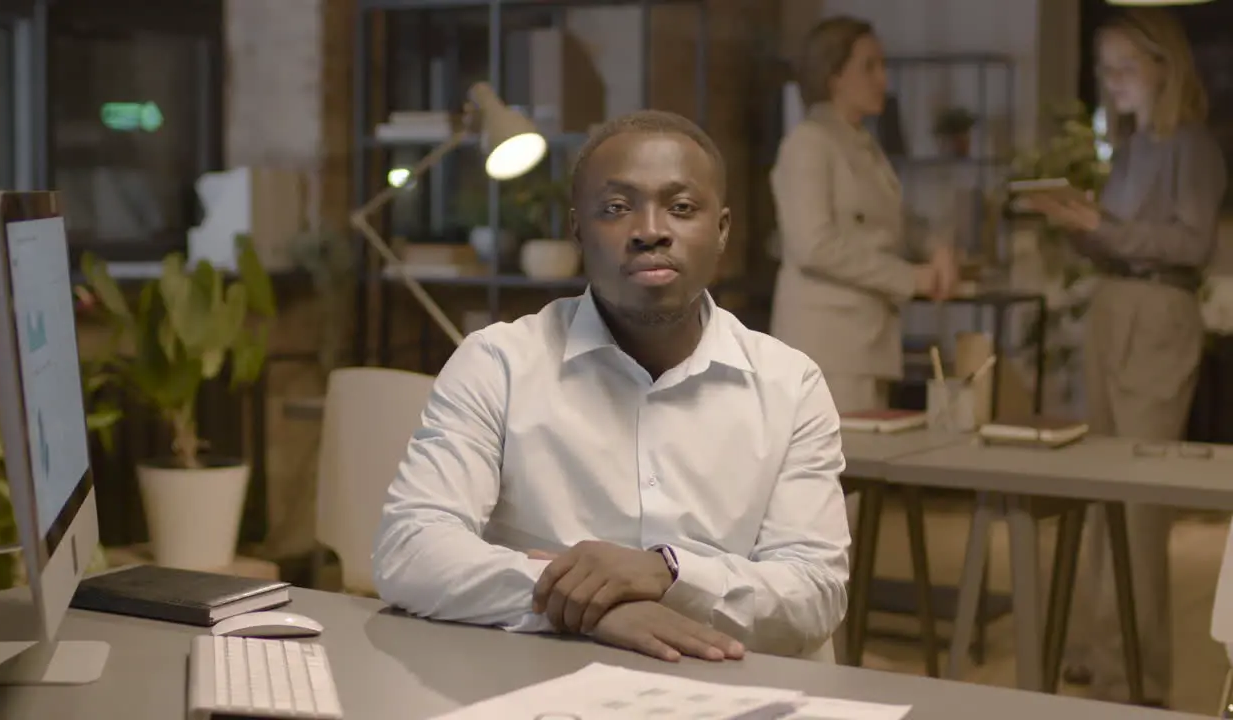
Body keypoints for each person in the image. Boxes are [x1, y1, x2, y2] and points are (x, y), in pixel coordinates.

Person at [374, 110, 850, 664]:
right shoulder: (497, 363)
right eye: (617, 208)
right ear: (578, 229)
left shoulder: (790, 384)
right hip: (535, 686)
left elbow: (814, 592)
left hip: (727, 689)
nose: (650, 230)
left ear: (721, 230)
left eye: (681, 207)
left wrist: (667, 572)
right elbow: (411, 548)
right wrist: (593, 609)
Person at [1026, 7, 1227, 707]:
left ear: (1164, 66)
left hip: (1158, 315)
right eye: (1104, 69)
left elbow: (1190, 246)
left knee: (1137, 506)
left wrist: (1103, 224)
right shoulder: (1135, 146)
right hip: (1114, 308)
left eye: (1123, 67)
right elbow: (1124, 238)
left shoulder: (1192, 145)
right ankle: (1097, 653)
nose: (1110, 82)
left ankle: (1137, 676)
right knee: (1102, 490)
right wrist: (1083, 225)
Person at [770, 15, 959, 415]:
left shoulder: (863, 145)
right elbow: (814, 246)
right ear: (834, 75)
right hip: (827, 346)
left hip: (868, 342)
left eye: (882, 66)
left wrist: (937, 246)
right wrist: (910, 277)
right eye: (869, 66)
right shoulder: (808, 145)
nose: (882, 80)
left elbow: (898, 221)